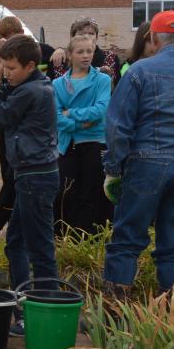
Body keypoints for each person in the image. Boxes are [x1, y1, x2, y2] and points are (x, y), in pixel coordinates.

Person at [101, 10, 174, 294]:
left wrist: (114, 169)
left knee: (127, 239)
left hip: (146, 163)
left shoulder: (139, 71)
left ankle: (113, 312)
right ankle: (169, 314)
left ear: (152, 37)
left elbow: (117, 126)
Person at [0, 34, 58, 335]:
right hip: (28, 176)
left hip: (36, 177)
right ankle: (23, 309)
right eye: (3, 67)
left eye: (11, 68)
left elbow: (0, 115)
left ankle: (47, 310)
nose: (6, 73)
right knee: (15, 244)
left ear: (30, 65)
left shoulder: (34, 91)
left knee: (40, 247)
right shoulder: (26, 85)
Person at [0, 15, 57, 239]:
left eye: (12, 38)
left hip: (32, 164)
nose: (8, 42)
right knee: (16, 240)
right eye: (4, 38)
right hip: (21, 149)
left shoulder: (30, 86)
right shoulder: (17, 74)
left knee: (36, 240)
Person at [53, 34, 112, 235]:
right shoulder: (58, 84)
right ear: (70, 55)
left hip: (94, 143)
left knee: (91, 191)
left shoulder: (102, 80)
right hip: (68, 144)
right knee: (65, 191)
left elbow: (101, 109)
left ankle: (85, 235)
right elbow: (56, 116)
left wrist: (71, 113)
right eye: (80, 51)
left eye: (90, 51)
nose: (86, 56)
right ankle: (64, 235)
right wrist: (80, 123)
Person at [48, 18, 122, 85]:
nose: (87, 37)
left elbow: (118, 89)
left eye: (91, 33)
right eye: (81, 34)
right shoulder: (60, 58)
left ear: (97, 37)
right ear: (72, 38)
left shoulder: (110, 58)